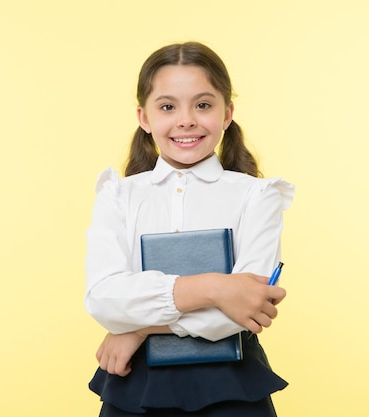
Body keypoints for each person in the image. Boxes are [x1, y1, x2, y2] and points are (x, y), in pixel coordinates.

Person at [84, 41, 295, 417]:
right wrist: (216, 287)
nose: (186, 120)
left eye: (203, 104)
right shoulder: (119, 195)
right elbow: (103, 298)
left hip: (232, 385)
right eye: (167, 106)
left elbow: (247, 307)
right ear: (144, 117)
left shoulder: (257, 195)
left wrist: (137, 329)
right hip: (136, 385)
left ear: (227, 113)